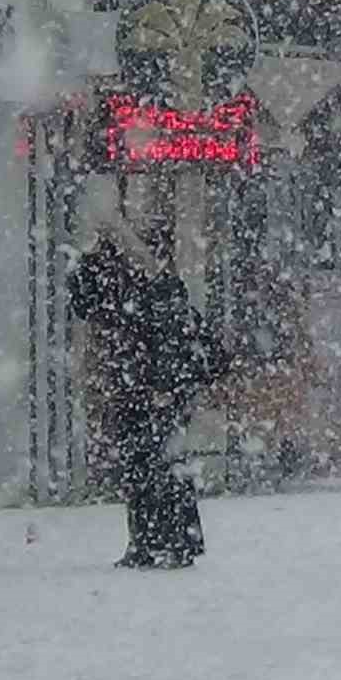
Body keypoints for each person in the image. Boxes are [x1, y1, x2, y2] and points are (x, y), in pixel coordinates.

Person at [68, 213, 229, 570]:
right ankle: (161, 541)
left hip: (148, 391)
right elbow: (84, 303)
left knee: (151, 466)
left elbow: (87, 303)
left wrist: (162, 386)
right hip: (144, 391)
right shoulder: (145, 287)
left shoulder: (149, 292)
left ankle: (158, 542)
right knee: (153, 465)